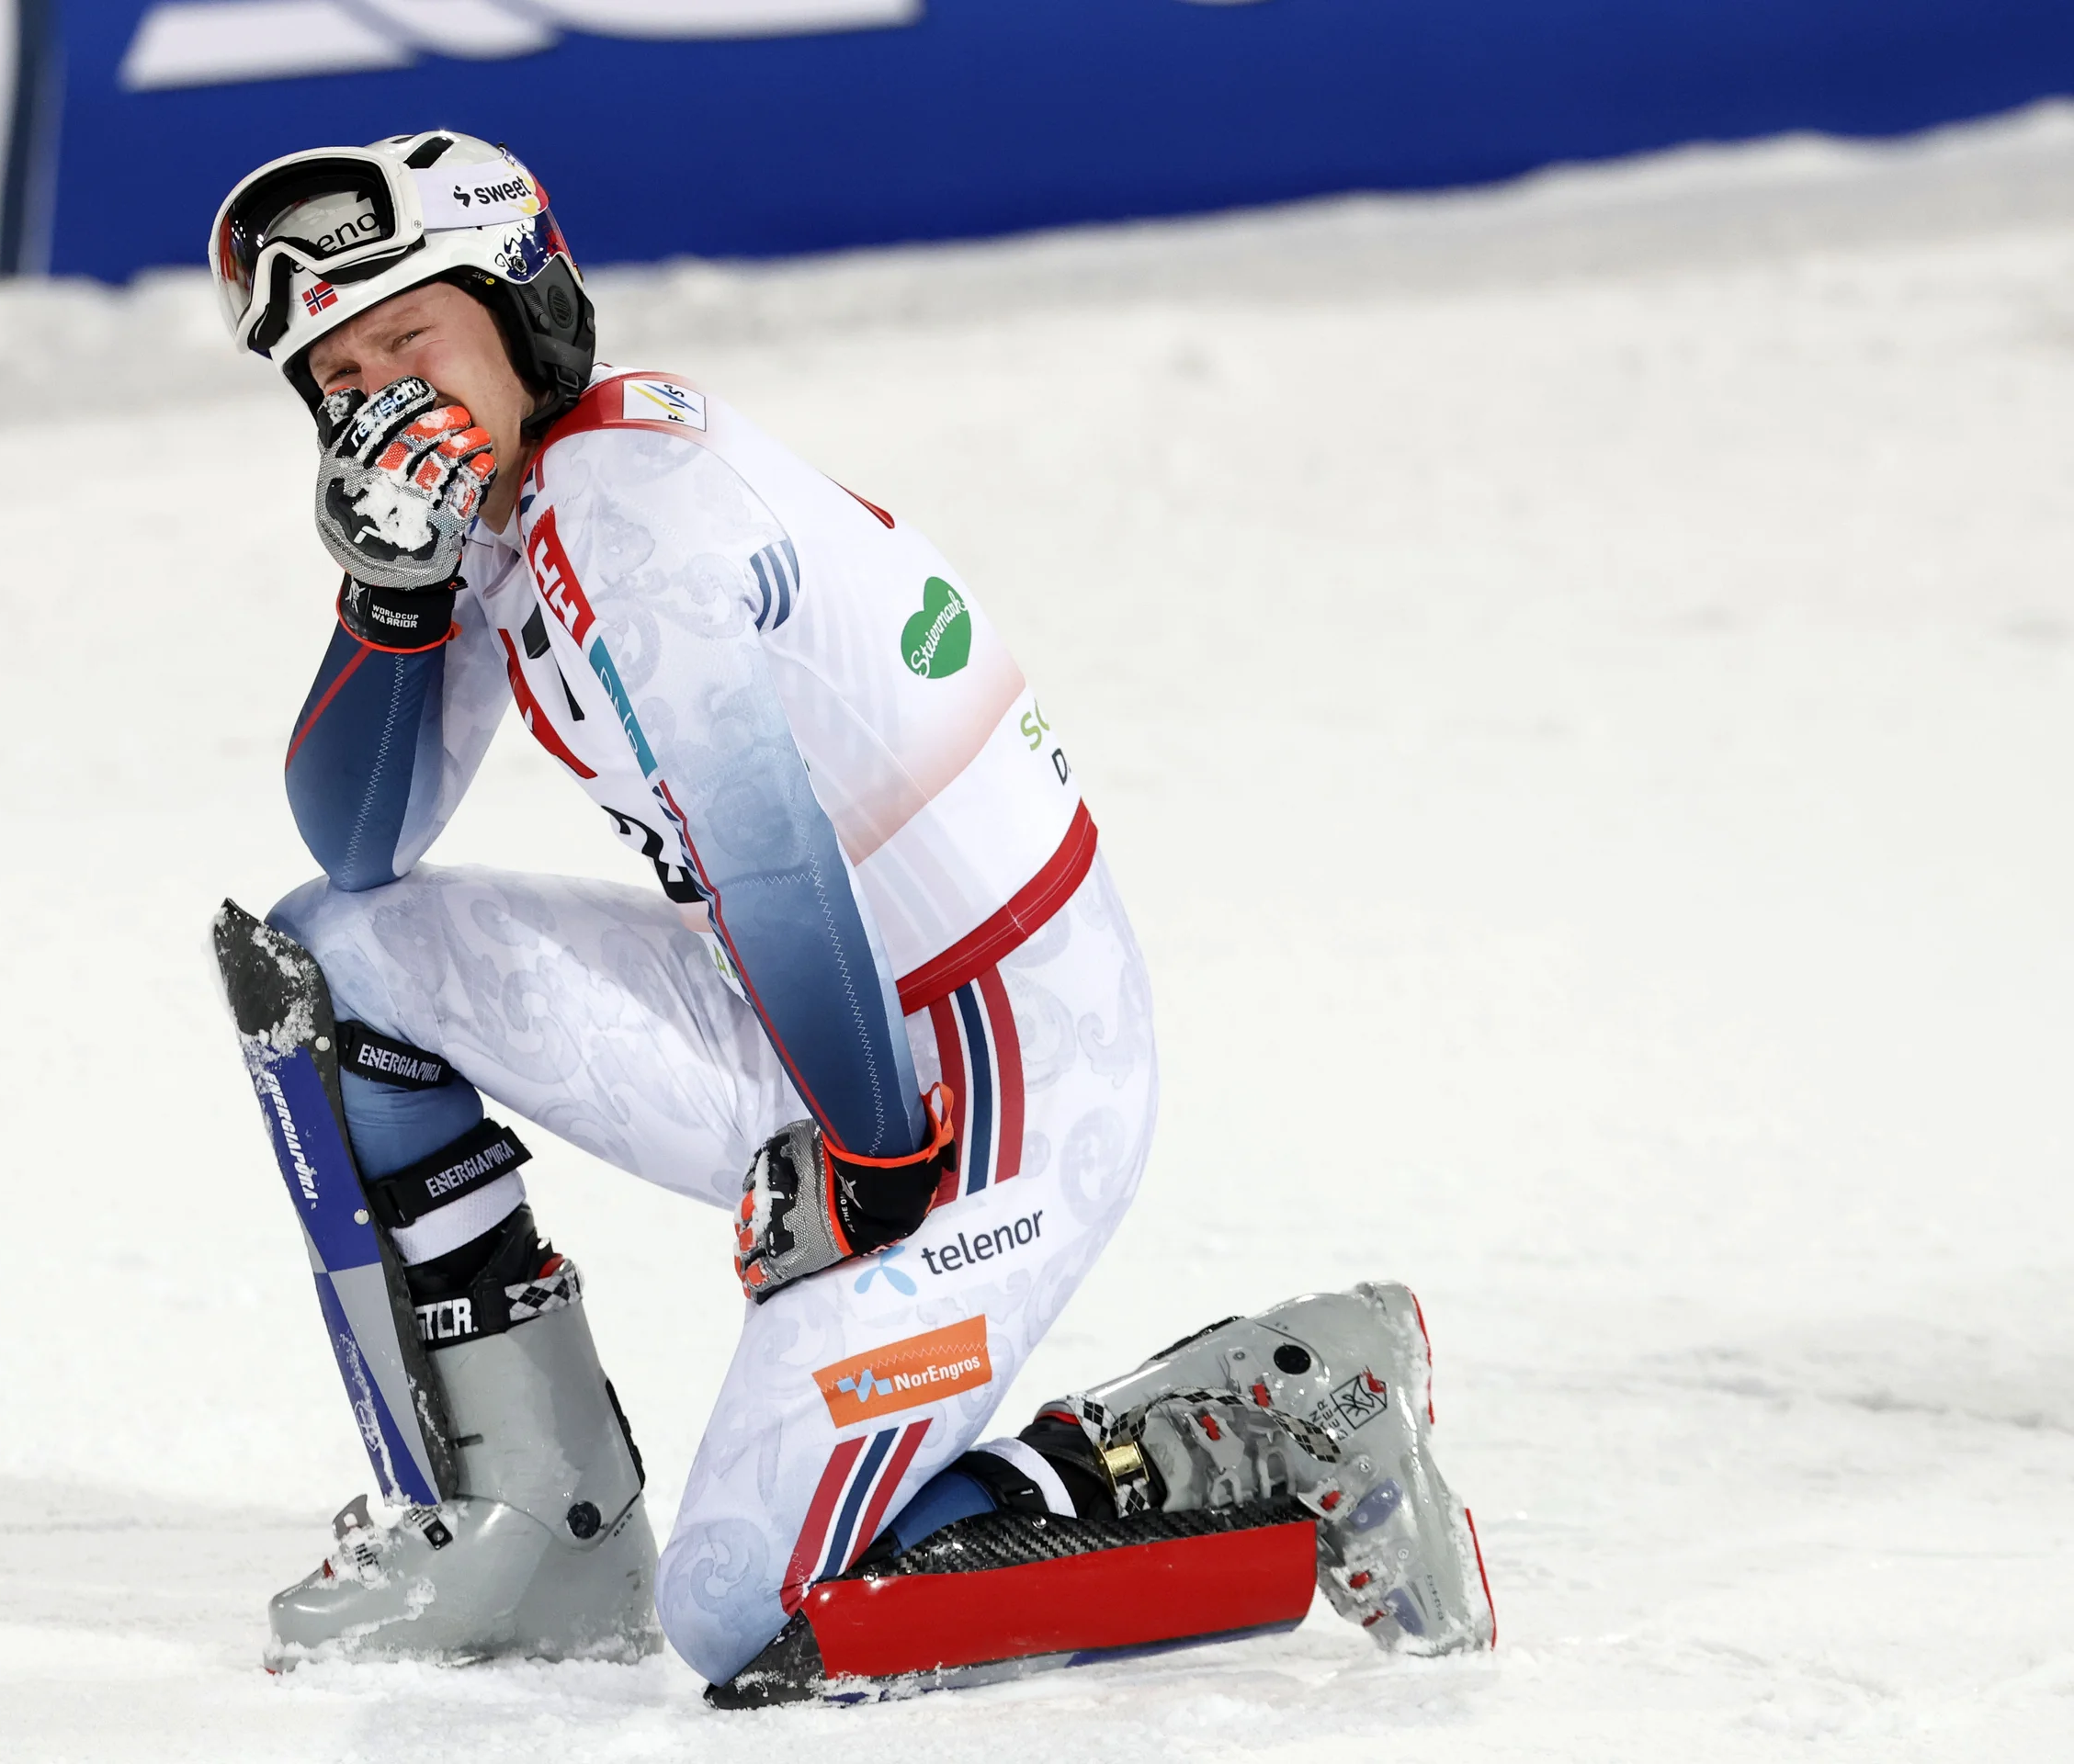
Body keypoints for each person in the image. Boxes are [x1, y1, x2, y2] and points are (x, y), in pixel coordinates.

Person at [209, 131, 1493, 1694]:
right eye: (337, 376)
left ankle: (1267, 1438)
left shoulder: (625, 508)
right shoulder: (517, 496)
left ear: (518, 300)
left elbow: (776, 860)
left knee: (751, 1608)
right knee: (336, 964)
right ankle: (533, 1524)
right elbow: (358, 844)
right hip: (835, 1016)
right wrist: (391, 599)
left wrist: (875, 1167)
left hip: (990, 1073)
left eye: (407, 337)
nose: (377, 401)